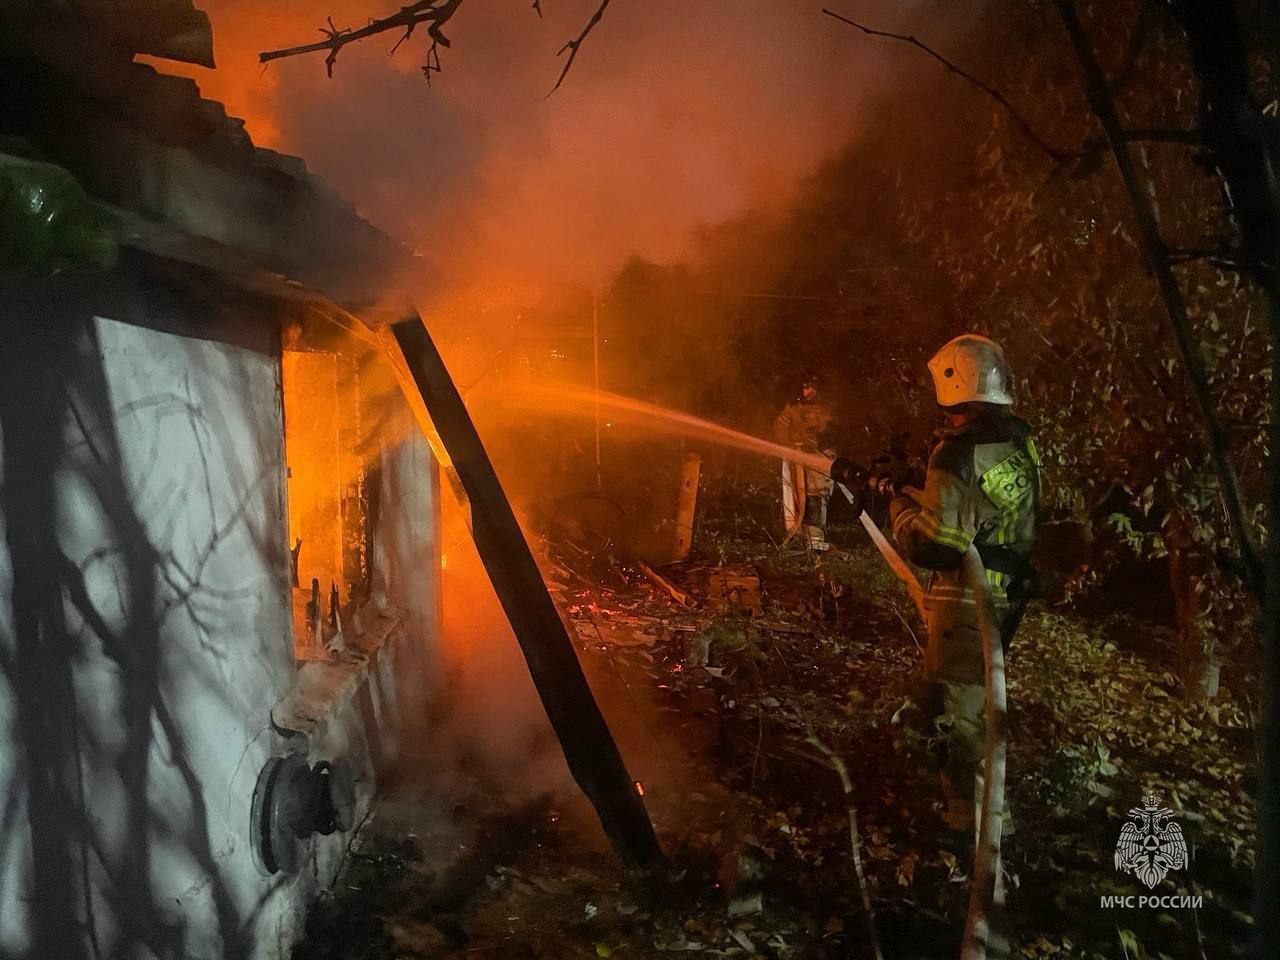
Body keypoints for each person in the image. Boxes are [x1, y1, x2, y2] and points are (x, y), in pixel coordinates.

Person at [860, 335, 1040, 835]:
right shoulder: (1015, 438)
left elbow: (934, 546)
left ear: (952, 384)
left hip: (968, 601)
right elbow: (979, 505)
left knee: (962, 712)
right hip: (1007, 591)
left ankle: (976, 826)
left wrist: (896, 503)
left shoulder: (958, 452)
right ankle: (979, 814)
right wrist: (919, 481)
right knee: (975, 699)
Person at [773, 370, 837, 551]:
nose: (807, 392)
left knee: (817, 494)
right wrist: (794, 441)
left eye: (811, 388)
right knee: (797, 495)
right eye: (805, 388)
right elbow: (779, 428)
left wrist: (818, 441)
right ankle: (799, 533)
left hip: (820, 459)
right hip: (798, 461)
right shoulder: (793, 409)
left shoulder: (827, 410)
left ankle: (816, 536)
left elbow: (832, 432)